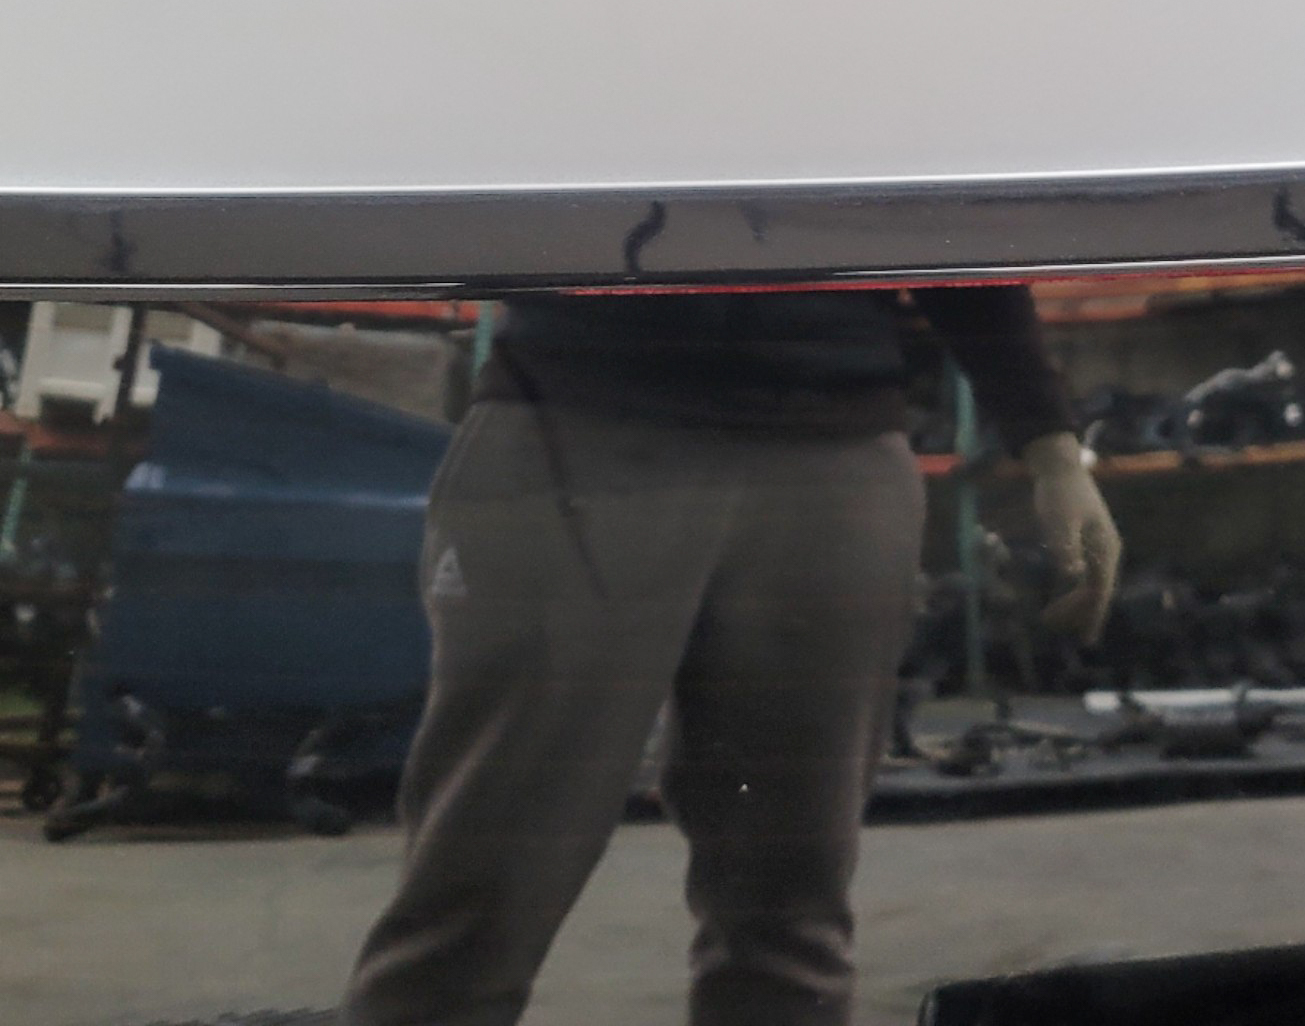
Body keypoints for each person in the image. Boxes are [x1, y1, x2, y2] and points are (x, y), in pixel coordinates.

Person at [340, 284, 1120, 1026]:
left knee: (793, 912)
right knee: (481, 890)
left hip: (831, 443)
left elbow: (949, 223)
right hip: (580, 416)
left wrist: (1052, 449)